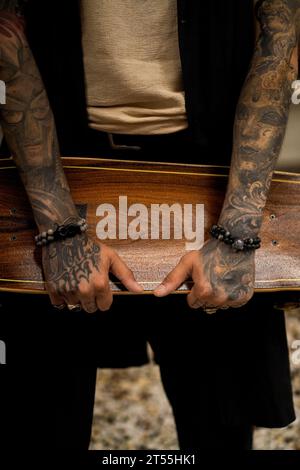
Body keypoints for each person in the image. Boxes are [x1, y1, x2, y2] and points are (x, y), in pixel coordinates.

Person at [0, 0, 298, 451]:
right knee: (39, 414)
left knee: (218, 421)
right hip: (57, 160)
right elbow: (6, 33)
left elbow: (279, 40)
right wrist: (60, 225)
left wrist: (237, 231)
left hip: (215, 162)